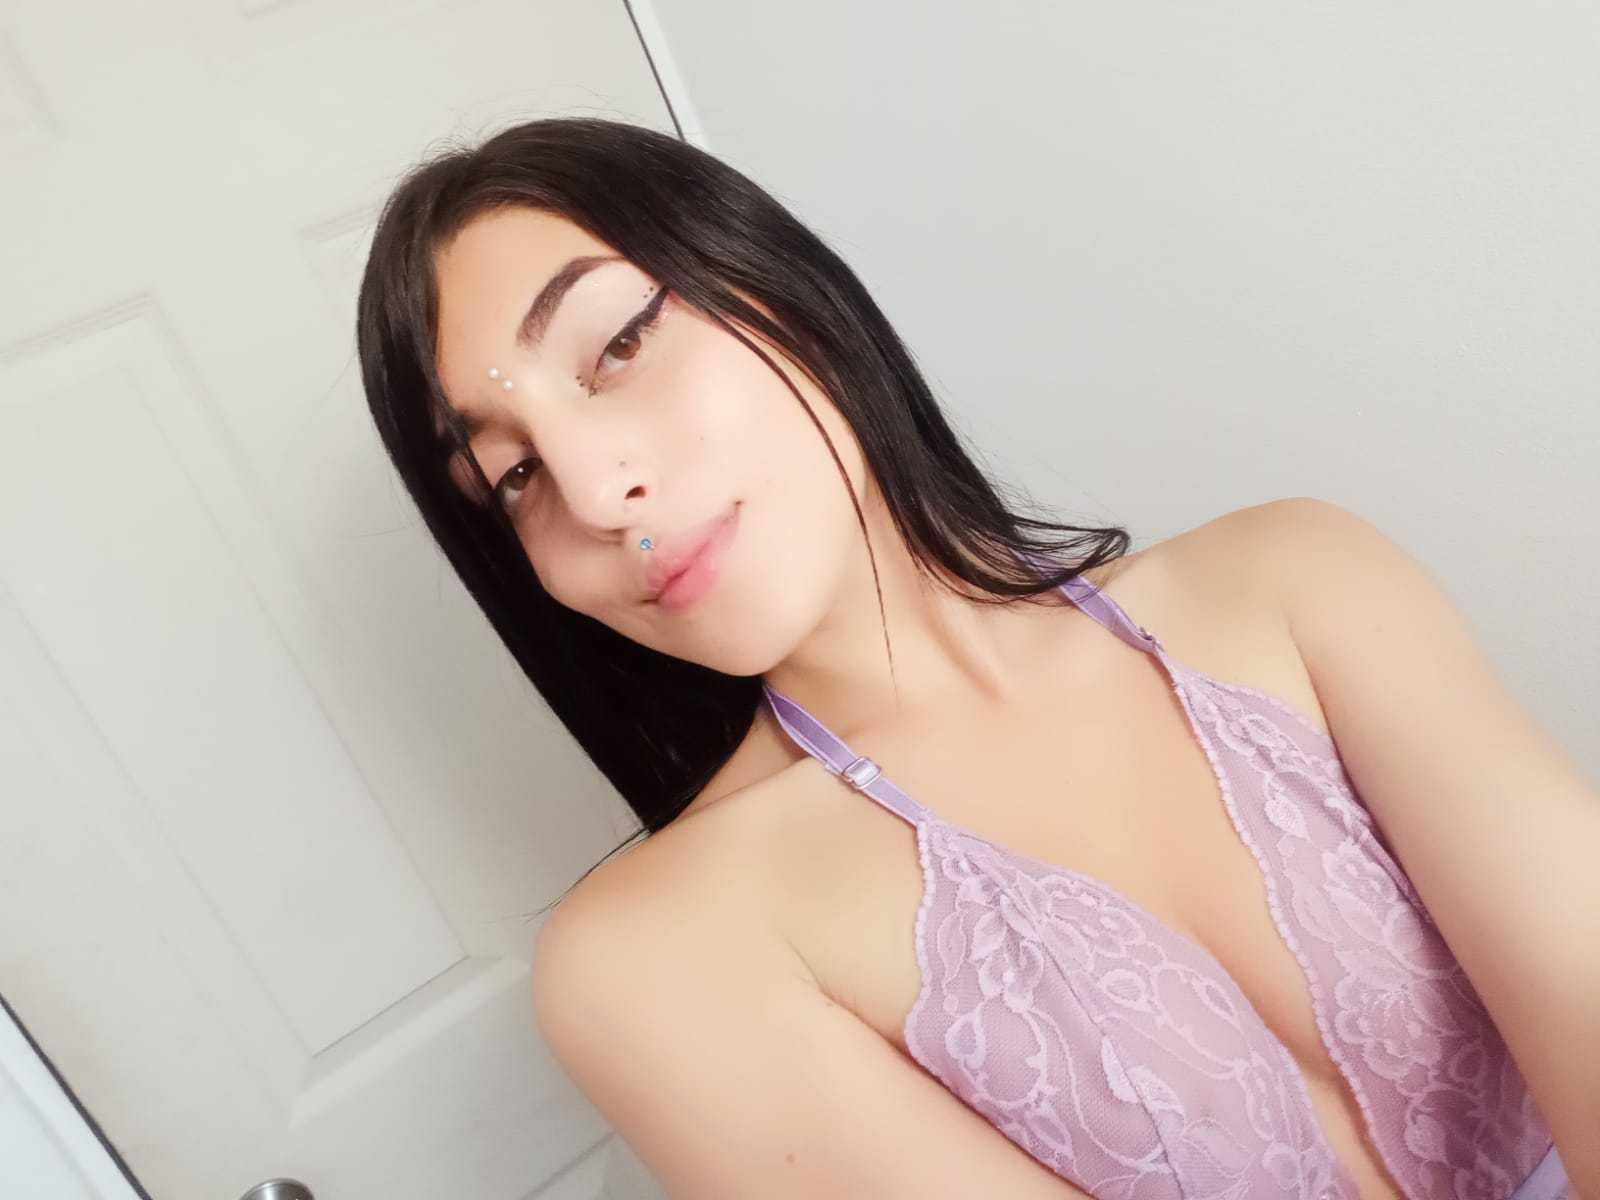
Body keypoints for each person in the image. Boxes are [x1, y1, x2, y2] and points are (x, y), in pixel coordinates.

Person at [355, 118, 1580, 1199]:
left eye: (617, 344)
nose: (595, 492)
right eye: (510, 476)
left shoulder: (1294, 583)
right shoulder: (655, 957)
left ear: (774, 283)